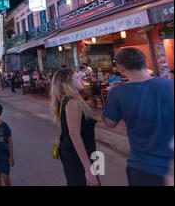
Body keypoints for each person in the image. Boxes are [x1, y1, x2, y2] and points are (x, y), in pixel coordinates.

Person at [102, 47, 174, 186]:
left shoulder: (117, 93)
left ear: (121, 68)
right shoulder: (170, 85)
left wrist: (111, 96)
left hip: (142, 166)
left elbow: (109, 123)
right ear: (145, 63)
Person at [50, 68, 100, 186]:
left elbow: (85, 121)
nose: (81, 79)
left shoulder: (72, 99)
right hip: (77, 155)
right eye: (77, 77)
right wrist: (87, 169)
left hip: (79, 152)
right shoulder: (72, 103)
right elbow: (74, 135)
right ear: (67, 83)